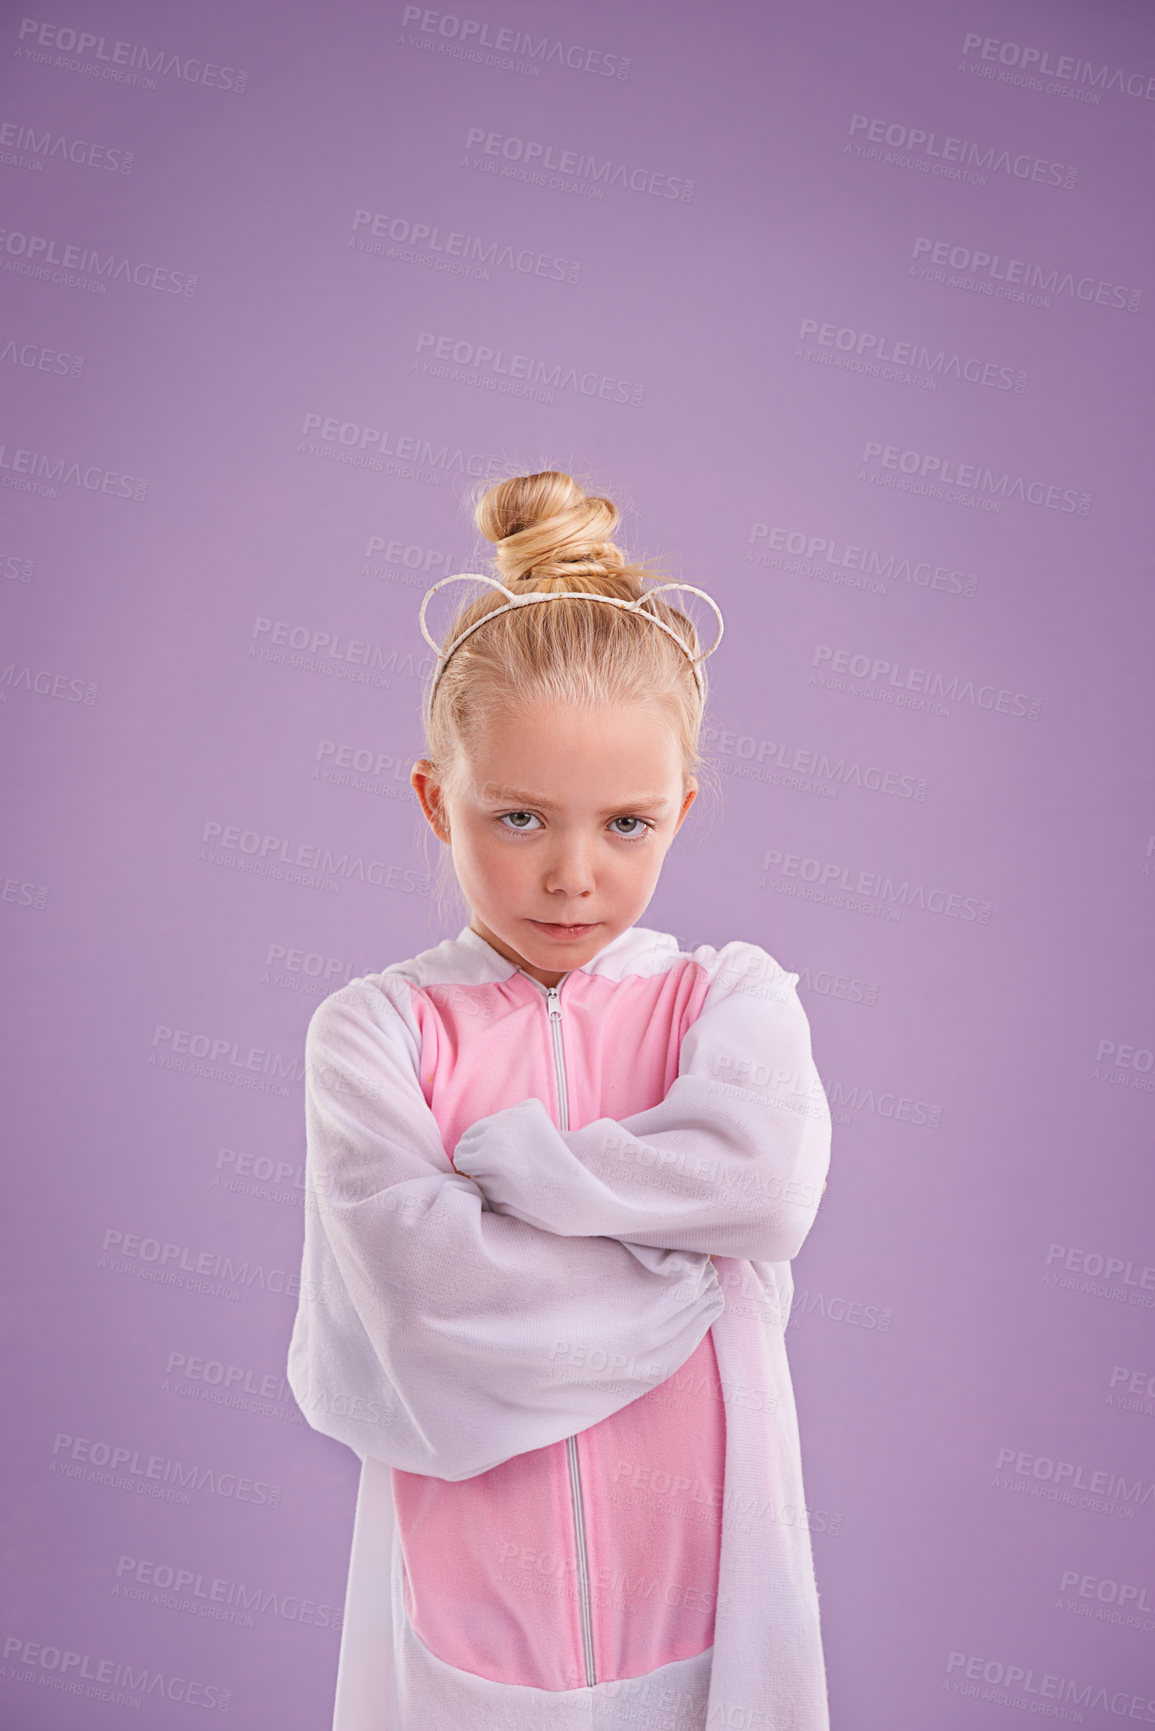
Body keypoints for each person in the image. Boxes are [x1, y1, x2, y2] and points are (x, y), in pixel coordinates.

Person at [286, 469, 834, 1731]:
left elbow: (759, 1184)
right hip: (470, 1612)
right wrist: (689, 1269)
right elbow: (429, 1304)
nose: (573, 876)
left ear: (681, 813)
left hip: (703, 1603)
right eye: (519, 815)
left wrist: (527, 1177)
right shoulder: (380, 1035)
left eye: (628, 824)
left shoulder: (729, 1002)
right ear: (438, 799)